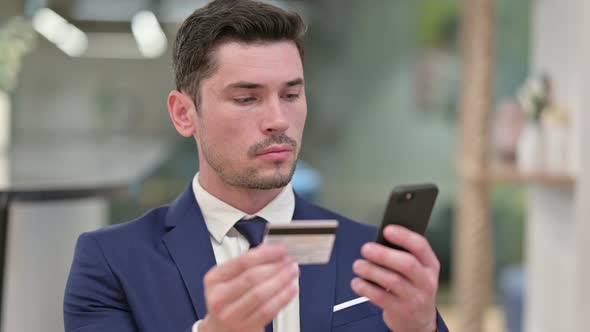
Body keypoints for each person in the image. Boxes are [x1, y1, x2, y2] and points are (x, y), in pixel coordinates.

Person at [63, 1, 449, 331]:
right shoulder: (112, 262)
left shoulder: (371, 259)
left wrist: (421, 328)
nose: (278, 119)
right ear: (184, 114)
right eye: (247, 98)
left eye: (291, 94)